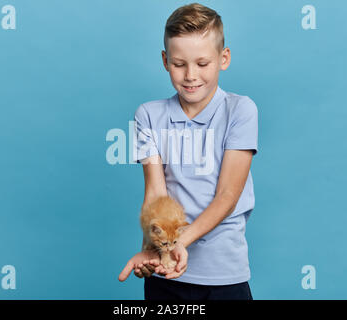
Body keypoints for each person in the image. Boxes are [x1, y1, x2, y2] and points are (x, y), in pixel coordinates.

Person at [118, 3, 258, 300]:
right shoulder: (147, 115)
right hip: (165, 274)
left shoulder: (241, 110)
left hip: (223, 277)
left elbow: (227, 197)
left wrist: (181, 242)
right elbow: (156, 196)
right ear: (165, 60)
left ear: (224, 58)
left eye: (202, 64)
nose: (190, 75)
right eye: (180, 64)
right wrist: (150, 251)